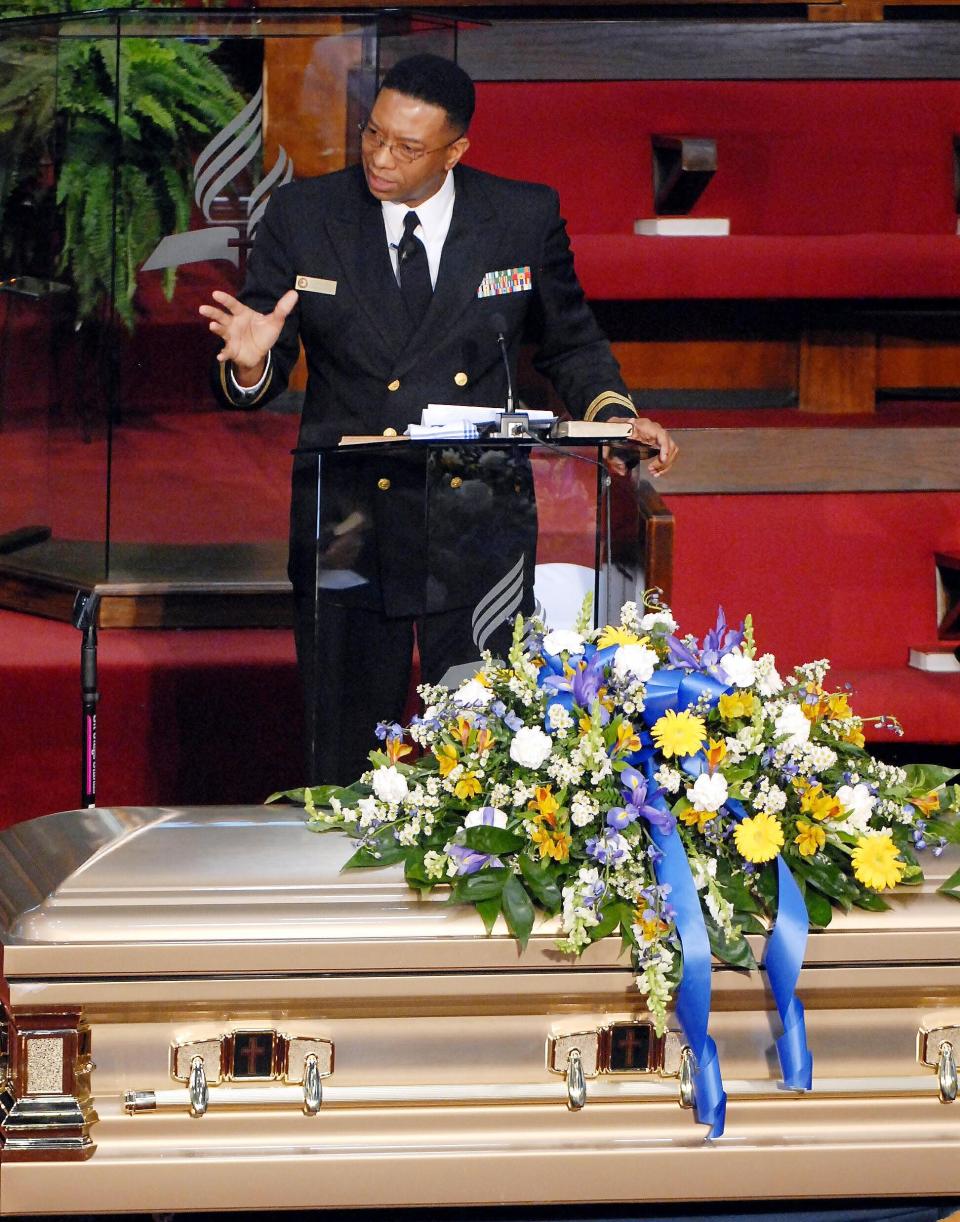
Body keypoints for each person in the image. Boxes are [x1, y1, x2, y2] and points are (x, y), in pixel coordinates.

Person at [201, 53, 679, 786]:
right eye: (373, 135)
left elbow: (571, 341)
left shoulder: (521, 218)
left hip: (477, 522)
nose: (381, 158)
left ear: (456, 151)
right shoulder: (306, 216)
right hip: (351, 523)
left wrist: (612, 414)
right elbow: (260, 349)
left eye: (407, 147)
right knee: (349, 769)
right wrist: (248, 363)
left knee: (486, 765)